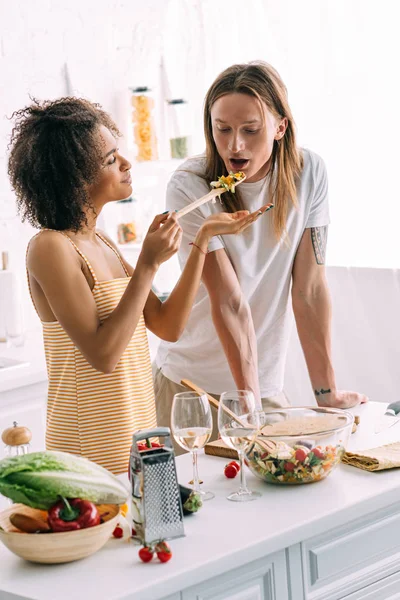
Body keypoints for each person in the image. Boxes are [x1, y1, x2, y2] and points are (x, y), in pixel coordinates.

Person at [7, 97, 266, 474]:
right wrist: (147, 263)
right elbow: (103, 355)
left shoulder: (103, 242)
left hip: (139, 438)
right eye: (111, 159)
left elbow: (168, 326)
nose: (126, 164)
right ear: (74, 176)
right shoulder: (50, 248)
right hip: (90, 450)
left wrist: (204, 238)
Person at [155, 61, 368, 438]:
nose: (235, 145)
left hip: (263, 387)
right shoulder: (188, 186)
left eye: (250, 130)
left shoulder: (309, 173)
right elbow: (229, 300)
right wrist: (247, 405)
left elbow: (310, 289)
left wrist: (327, 393)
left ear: (280, 128)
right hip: (190, 388)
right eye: (222, 130)